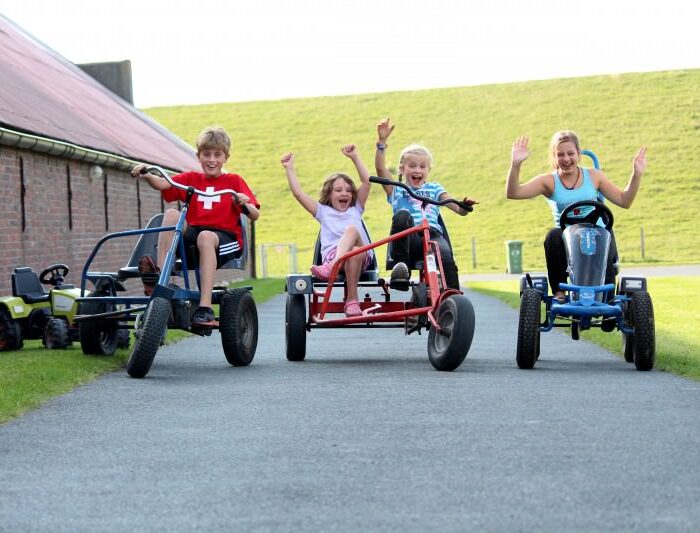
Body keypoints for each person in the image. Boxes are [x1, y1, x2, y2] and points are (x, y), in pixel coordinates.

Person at [131, 126, 260, 326]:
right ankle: (160, 275)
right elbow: (162, 184)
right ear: (198, 156)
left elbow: (255, 214)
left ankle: (205, 307)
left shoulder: (233, 181)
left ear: (226, 157)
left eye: (217, 155)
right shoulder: (191, 178)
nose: (211, 160)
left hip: (224, 239)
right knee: (173, 213)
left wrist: (244, 202)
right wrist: (147, 174)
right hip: (194, 235)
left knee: (206, 237)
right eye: (206, 154)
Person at [505, 131, 647, 301]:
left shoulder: (594, 176)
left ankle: (608, 298)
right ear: (554, 157)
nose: (566, 159)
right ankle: (560, 292)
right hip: (566, 236)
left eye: (571, 153)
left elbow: (625, 201)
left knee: (605, 234)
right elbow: (513, 192)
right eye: (560, 155)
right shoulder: (548, 181)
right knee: (553, 235)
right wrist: (515, 164)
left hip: (597, 232)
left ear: (579, 154)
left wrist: (637, 174)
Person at [375, 118, 476, 290]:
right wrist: (381, 142)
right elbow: (380, 169)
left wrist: (465, 207)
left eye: (422, 166)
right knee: (402, 215)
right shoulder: (397, 189)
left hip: (432, 235)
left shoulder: (434, 188)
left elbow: (457, 208)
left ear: (428, 170)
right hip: (409, 238)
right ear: (402, 169)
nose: (417, 170)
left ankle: (453, 295)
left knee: (445, 254)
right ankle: (401, 268)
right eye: (412, 166)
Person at [280, 145, 372, 317]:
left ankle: (332, 268)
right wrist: (289, 168)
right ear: (329, 195)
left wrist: (355, 157)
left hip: (360, 258)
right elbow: (299, 194)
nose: (344, 193)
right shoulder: (323, 211)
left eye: (348, 190)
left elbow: (367, 182)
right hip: (334, 255)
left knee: (353, 234)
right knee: (354, 251)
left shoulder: (356, 208)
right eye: (338, 190)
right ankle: (352, 302)